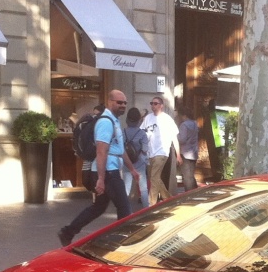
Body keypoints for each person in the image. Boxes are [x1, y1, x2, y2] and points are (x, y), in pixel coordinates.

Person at [58, 90, 135, 246]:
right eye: (119, 102)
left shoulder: (114, 121)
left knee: (98, 208)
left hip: (108, 171)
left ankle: (68, 231)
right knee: (125, 210)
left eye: (125, 103)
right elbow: (101, 150)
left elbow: (120, 149)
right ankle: (120, 243)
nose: (123, 105)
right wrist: (100, 178)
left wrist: (132, 169)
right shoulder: (106, 122)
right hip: (108, 172)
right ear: (109, 102)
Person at [142, 95, 180, 203]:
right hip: (149, 153)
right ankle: (168, 199)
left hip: (162, 152)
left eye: (155, 103)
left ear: (161, 106)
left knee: (154, 178)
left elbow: (174, 138)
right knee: (154, 178)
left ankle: (151, 205)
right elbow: (142, 133)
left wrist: (178, 155)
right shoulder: (148, 118)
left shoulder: (167, 119)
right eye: (151, 103)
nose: (153, 106)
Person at [123, 107, 149, 208]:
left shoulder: (123, 132)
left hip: (126, 163)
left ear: (127, 120)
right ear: (139, 120)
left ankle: (124, 210)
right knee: (143, 189)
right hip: (139, 163)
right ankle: (146, 209)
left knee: (126, 188)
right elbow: (145, 149)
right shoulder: (142, 133)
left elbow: (120, 148)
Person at [177, 111, 200, 192]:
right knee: (191, 175)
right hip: (194, 152)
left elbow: (182, 139)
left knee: (187, 177)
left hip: (185, 152)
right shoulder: (195, 124)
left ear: (184, 115)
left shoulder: (184, 125)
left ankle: (189, 195)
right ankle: (196, 193)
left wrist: (176, 136)